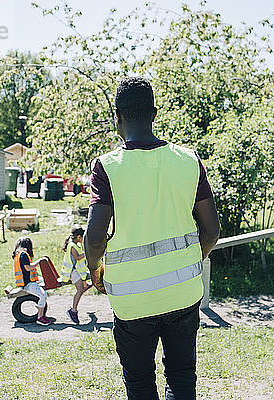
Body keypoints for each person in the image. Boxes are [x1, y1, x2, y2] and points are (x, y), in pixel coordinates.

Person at [85, 77, 220, 400]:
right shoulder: (189, 160)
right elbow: (212, 230)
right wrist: (189, 261)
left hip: (132, 300)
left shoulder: (107, 167)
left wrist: (95, 271)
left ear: (116, 116)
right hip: (183, 292)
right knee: (182, 374)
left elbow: (94, 238)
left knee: (141, 382)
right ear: (155, 114)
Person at [12, 236, 54, 326]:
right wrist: (39, 261)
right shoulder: (23, 254)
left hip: (27, 282)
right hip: (27, 284)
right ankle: (40, 318)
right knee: (43, 295)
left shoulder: (18, 254)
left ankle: (40, 309)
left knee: (43, 285)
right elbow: (28, 268)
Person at [62, 225, 92, 324]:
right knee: (80, 290)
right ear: (79, 237)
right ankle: (73, 310)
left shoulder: (76, 245)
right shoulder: (72, 246)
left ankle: (85, 286)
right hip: (73, 272)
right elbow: (78, 257)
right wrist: (87, 253)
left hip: (78, 272)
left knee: (85, 286)